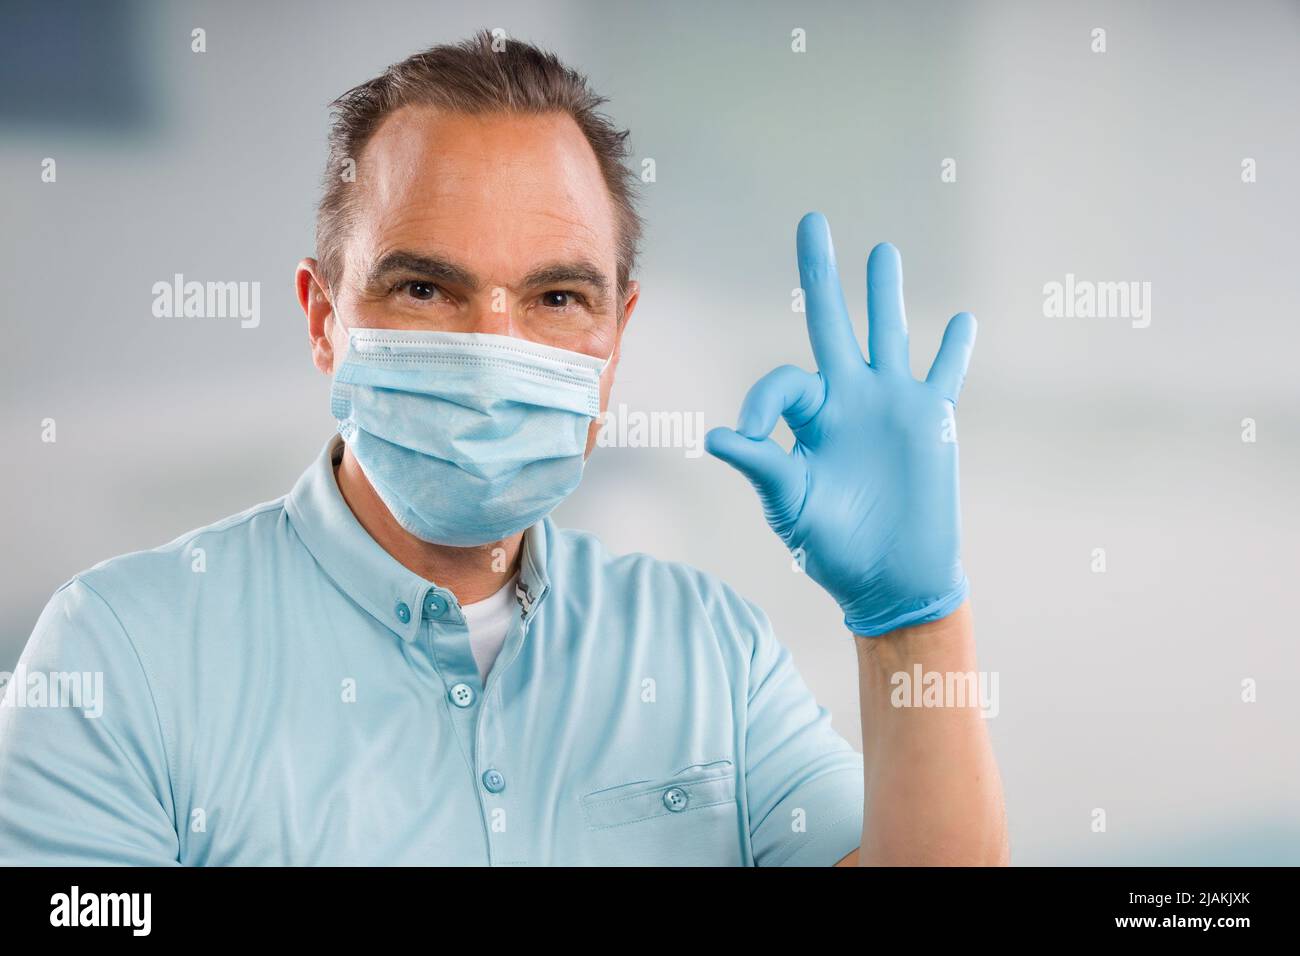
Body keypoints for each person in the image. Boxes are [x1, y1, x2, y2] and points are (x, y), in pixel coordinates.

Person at [0, 31, 1006, 866]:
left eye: (556, 297)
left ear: (614, 341)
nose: (494, 349)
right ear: (322, 318)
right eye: (425, 288)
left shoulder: (710, 649)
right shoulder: (118, 654)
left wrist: (911, 621)